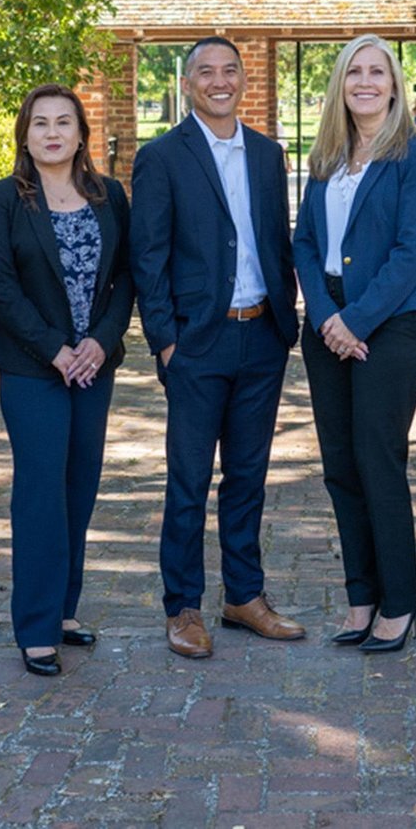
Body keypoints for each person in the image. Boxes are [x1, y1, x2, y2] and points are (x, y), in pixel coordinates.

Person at [131, 37, 304, 661]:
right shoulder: (161, 157)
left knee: (249, 477)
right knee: (188, 480)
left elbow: (276, 241)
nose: (219, 80)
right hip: (196, 343)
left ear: (245, 80)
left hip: (262, 335)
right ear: (187, 84)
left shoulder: (267, 154)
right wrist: (166, 341)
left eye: (230, 70)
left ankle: (244, 596)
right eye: (206, 72)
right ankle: (182, 606)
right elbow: (147, 257)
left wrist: (287, 320)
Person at [292, 34, 416, 654]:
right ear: (340, 83)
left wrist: (356, 320)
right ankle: (361, 596)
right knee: (339, 469)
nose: (365, 82)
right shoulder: (327, 153)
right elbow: (303, 243)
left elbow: (414, 251)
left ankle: (400, 602)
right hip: (328, 323)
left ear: (394, 83)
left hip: (391, 324)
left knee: (378, 461)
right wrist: (329, 316)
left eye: (376, 71)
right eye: (354, 71)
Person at [0, 87, 135, 677]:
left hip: (94, 365)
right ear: (24, 134)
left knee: (80, 486)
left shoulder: (110, 196)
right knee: (41, 492)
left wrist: (99, 342)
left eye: (63, 122)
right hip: (33, 368)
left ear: (80, 134)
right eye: (39, 123)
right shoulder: (4, 200)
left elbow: (126, 278)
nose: (51, 132)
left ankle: (64, 612)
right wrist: (56, 351)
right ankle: (36, 629)